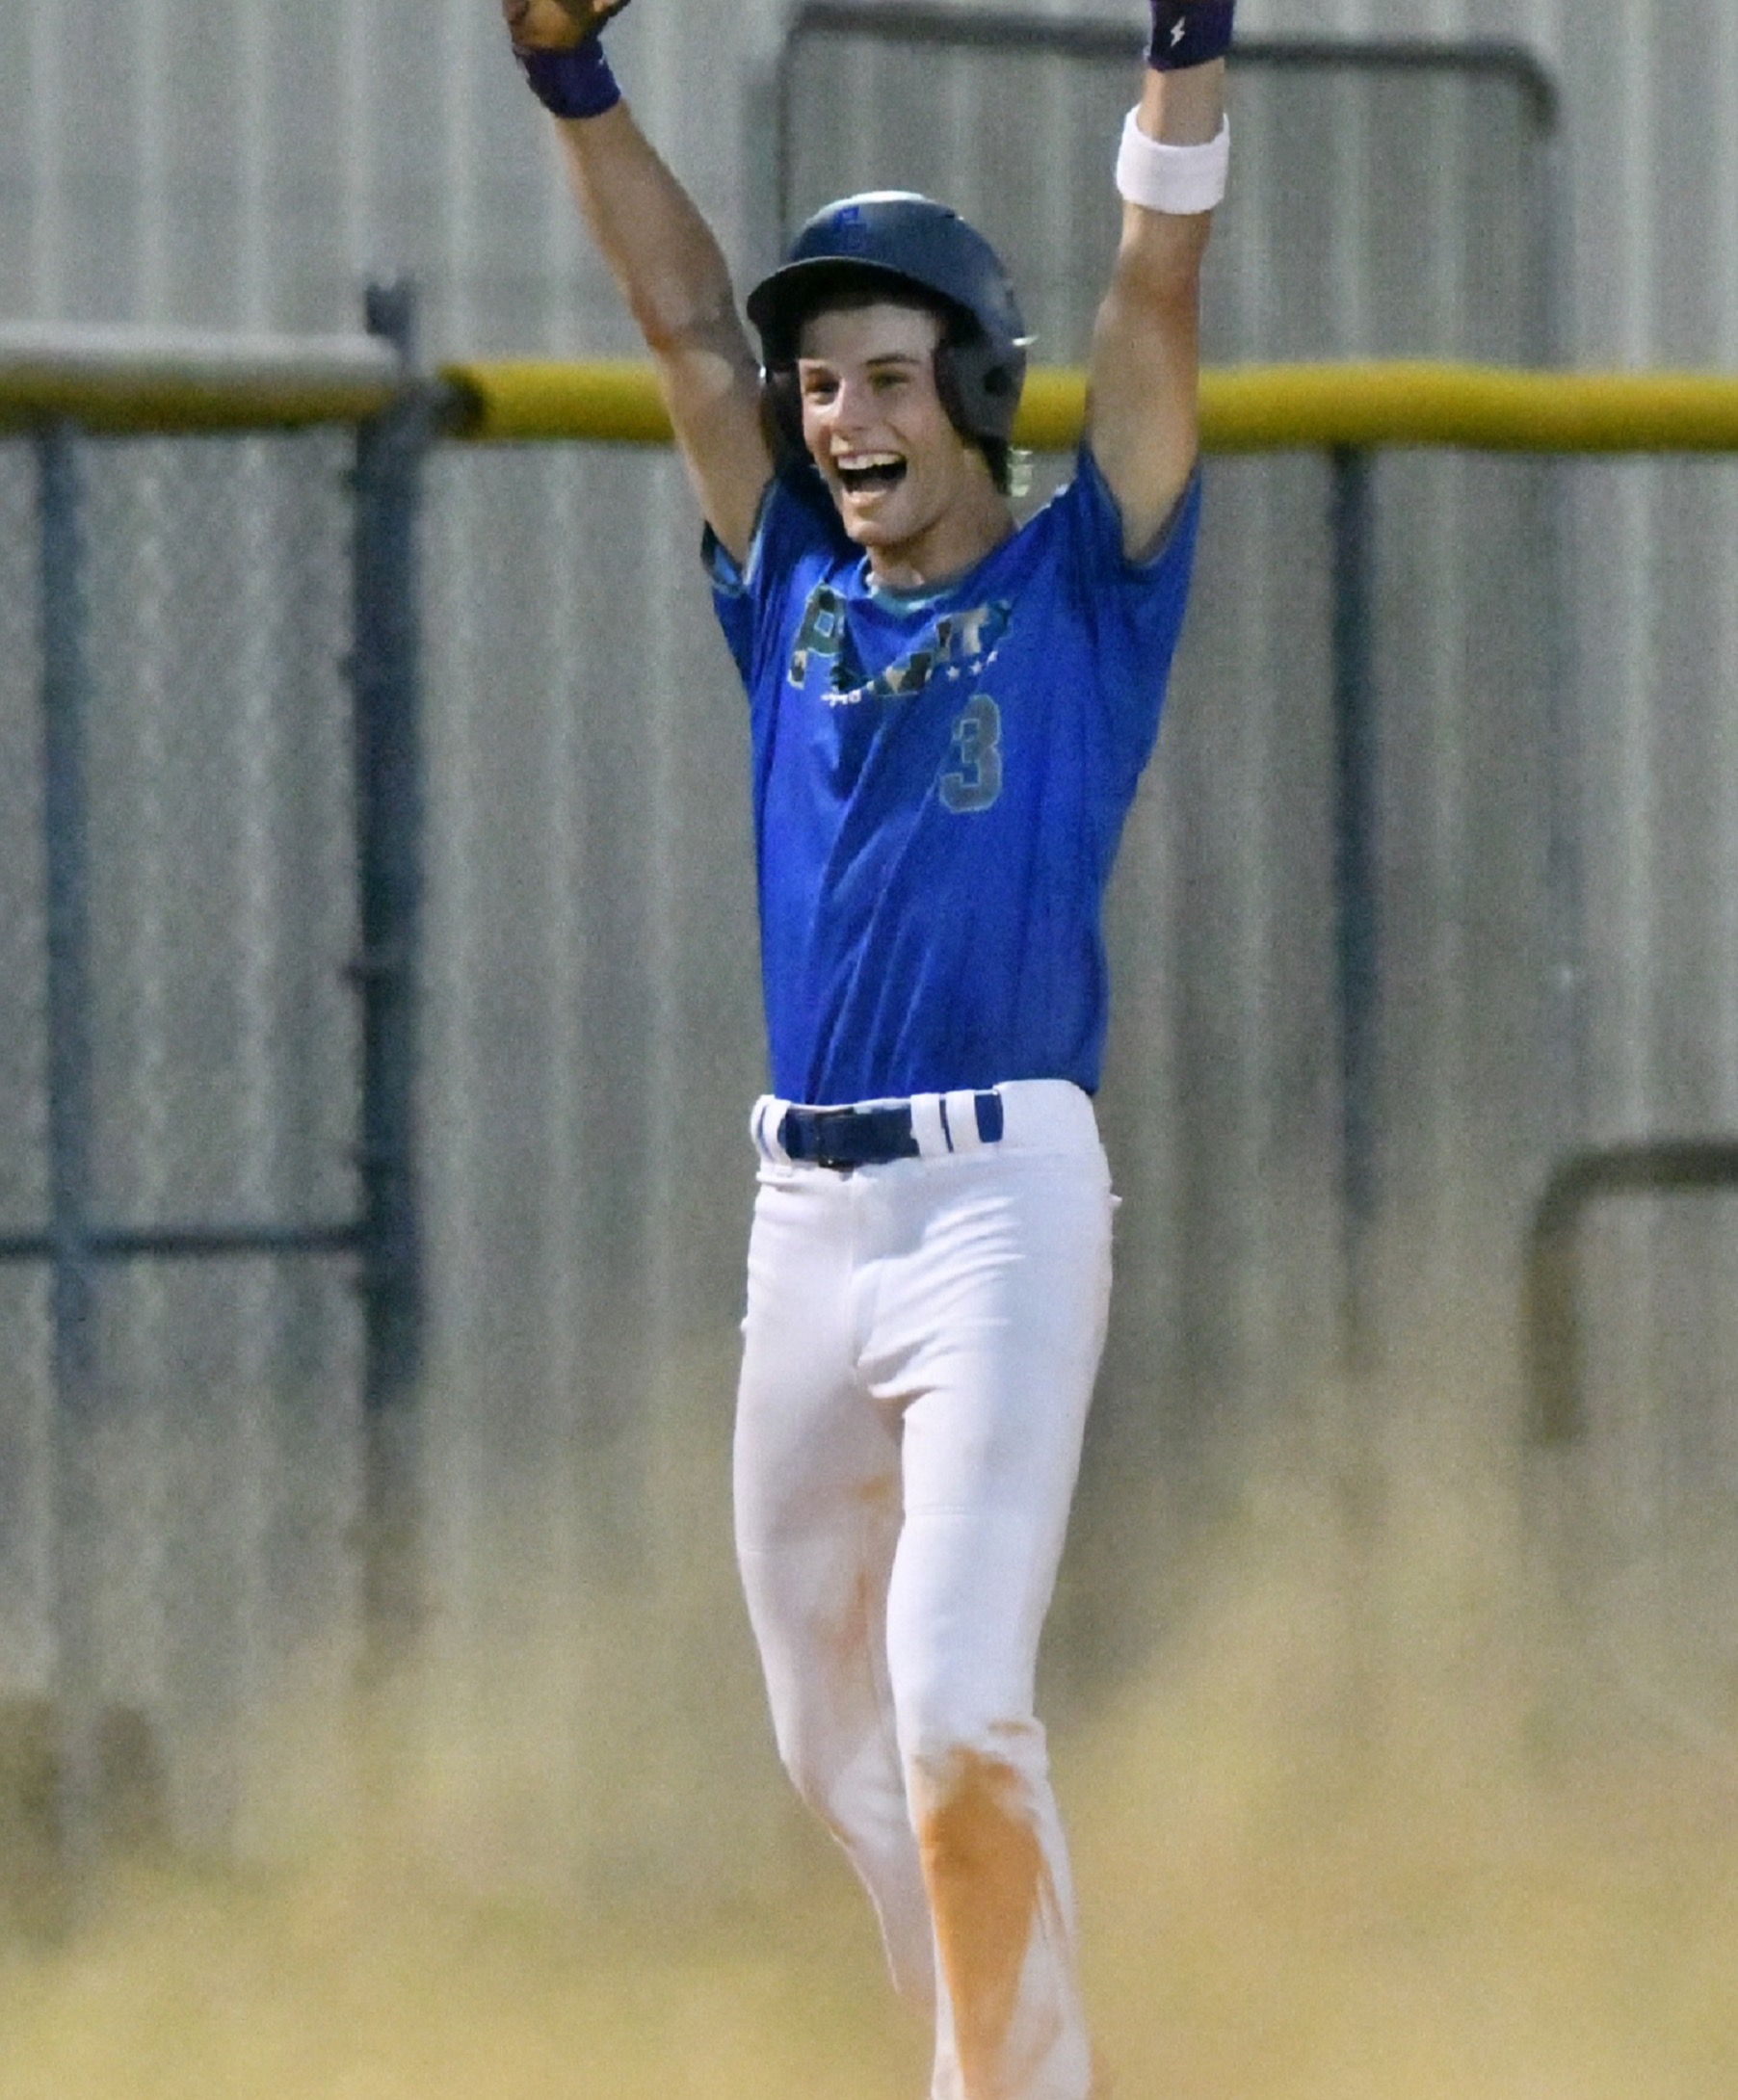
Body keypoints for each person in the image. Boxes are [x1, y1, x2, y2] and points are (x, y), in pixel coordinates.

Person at [502, 4, 1232, 2095]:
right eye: (819, 383)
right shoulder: (795, 587)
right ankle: (990, 2052)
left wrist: (1184, 56)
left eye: (889, 377)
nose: (839, 418)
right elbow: (678, 329)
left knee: (952, 1702)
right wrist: (570, 80)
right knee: (829, 1744)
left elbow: (1154, 291)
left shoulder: (1086, 583)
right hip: (804, 1219)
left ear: (979, 391)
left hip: (1001, 1205)